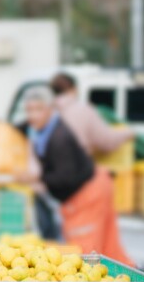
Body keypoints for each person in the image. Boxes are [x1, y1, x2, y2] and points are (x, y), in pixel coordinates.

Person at [15, 85, 128, 261]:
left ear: (50, 109)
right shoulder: (43, 130)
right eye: (29, 110)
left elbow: (64, 178)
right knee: (107, 248)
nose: (32, 116)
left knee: (85, 252)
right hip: (93, 185)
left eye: (38, 110)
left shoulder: (59, 138)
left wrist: (38, 178)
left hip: (88, 192)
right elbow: (20, 127)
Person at [51, 72, 134, 160]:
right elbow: (106, 140)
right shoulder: (83, 110)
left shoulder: (47, 110)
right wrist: (128, 132)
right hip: (74, 166)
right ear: (74, 89)